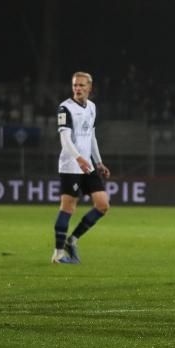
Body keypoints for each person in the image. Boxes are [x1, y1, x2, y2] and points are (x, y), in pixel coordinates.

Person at [52, 71, 111, 264]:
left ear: (89, 88)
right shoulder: (65, 108)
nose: (77, 88)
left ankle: (73, 239)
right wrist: (78, 158)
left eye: (81, 85)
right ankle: (58, 254)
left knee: (103, 205)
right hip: (71, 165)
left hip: (87, 165)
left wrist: (98, 162)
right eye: (75, 85)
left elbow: (91, 136)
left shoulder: (92, 107)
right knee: (68, 207)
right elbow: (65, 139)